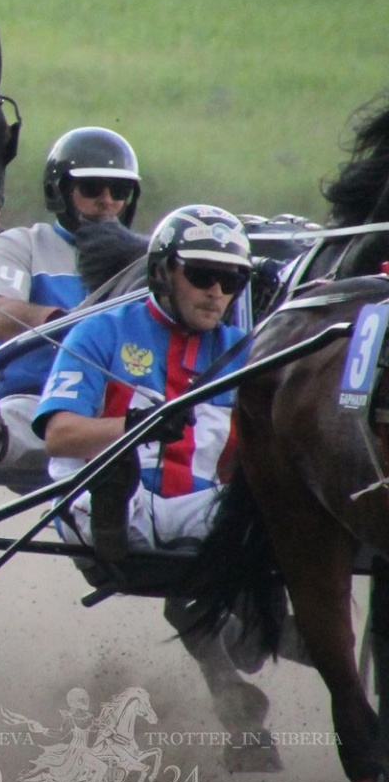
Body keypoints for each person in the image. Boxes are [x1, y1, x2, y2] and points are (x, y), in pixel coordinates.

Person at [31, 204, 253, 562]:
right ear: (162, 272)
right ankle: (118, 523)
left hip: (201, 509)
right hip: (109, 499)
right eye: (202, 275)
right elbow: (59, 437)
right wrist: (138, 427)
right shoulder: (101, 331)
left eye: (231, 281)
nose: (216, 292)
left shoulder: (247, 351)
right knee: (112, 493)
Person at [0, 127, 142, 470]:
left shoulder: (145, 261)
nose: (107, 200)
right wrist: (61, 320)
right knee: (29, 420)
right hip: (36, 399)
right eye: (91, 189)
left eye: (119, 190)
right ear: (57, 191)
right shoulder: (20, 245)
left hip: (121, 408)